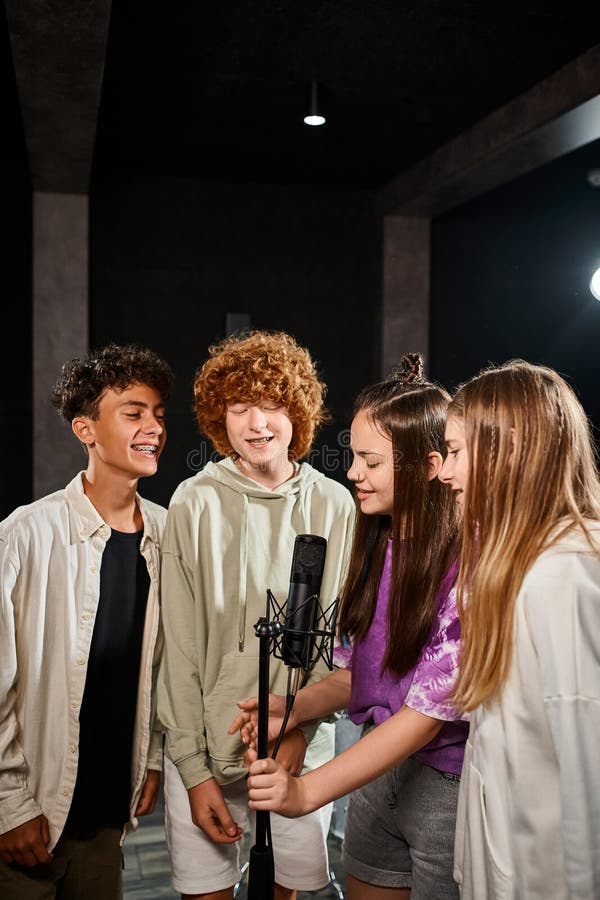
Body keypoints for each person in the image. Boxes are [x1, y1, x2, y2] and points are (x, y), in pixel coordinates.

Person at [237, 353, 467, 900]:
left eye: (370, 460)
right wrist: (288, 709)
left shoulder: (468, 560)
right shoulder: (375, 545)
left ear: (428, 464)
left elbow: (425, 716)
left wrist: (305, 793)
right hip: (373, 772)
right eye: (353, 457)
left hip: (446, 787)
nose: (353, 472)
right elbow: (359, 675)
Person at [157, 329, 355, 900]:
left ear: (296, 411)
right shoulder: (193, 501)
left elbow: (336, 645)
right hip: (205, 746)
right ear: (221, 419)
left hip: (301, 750)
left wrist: (298, 735)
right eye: (239, 408)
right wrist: (194, 772)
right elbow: (180, 648)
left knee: (285, 893)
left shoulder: (334, 504)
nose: (256, 423)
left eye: (270, 404)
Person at [0, 342, 174, 900]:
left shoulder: (168, 536)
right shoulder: (26, 535)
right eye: (134, 413)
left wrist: (147, 761)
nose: (153, 427)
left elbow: (160, 663)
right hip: (31, 815)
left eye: (158, 415)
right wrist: (9, 806)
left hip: (105, 816)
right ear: (86, 429)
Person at [437, 359, 600, 900]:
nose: (444, 472)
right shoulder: (520, 571)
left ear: (508, 451)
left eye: (456, 452)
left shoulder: (563, 577)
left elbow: (589, 779)